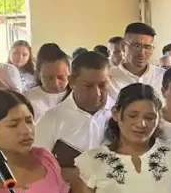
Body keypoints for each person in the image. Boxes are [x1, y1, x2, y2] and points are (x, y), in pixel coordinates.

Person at [35, 50, 113, 183]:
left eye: (102, 85)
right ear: (71, 81)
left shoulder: (119, 114)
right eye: (88, 86)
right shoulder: (51, 119)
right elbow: (38, 168)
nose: (97, 93)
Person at [109, 23, 165, 98]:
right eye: (136, 46)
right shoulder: (110, 78)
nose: (142, 53)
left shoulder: (162, 77)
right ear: (123, 46)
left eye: (147, 47)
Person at [23, 43, 70, 120]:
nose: (55, 83)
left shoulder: (77, 96)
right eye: (49, 78)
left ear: (70, 74)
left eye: (61, 77)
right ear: (39, 75)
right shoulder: (27, 98)